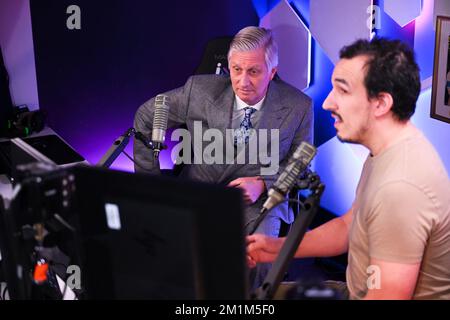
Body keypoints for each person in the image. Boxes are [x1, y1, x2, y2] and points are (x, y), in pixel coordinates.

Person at [247, 38, 450, 300]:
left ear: (380, 103)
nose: (327, 103)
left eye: (342, 91)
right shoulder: (386, 150)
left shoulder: (401, 188)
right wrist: (276, 248)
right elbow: (349, 225)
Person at [133, 26, 313, 288]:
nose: (243, 81)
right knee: (165, 257)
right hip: (201, 194)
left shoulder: (298, 106)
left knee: (255, 264)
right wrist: (152, 186)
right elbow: (147, 116)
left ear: (272, 72)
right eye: (236, 70)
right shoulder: (200, 91)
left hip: (258, 205)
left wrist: (264, 182)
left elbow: (302, 165)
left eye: (253, 71)